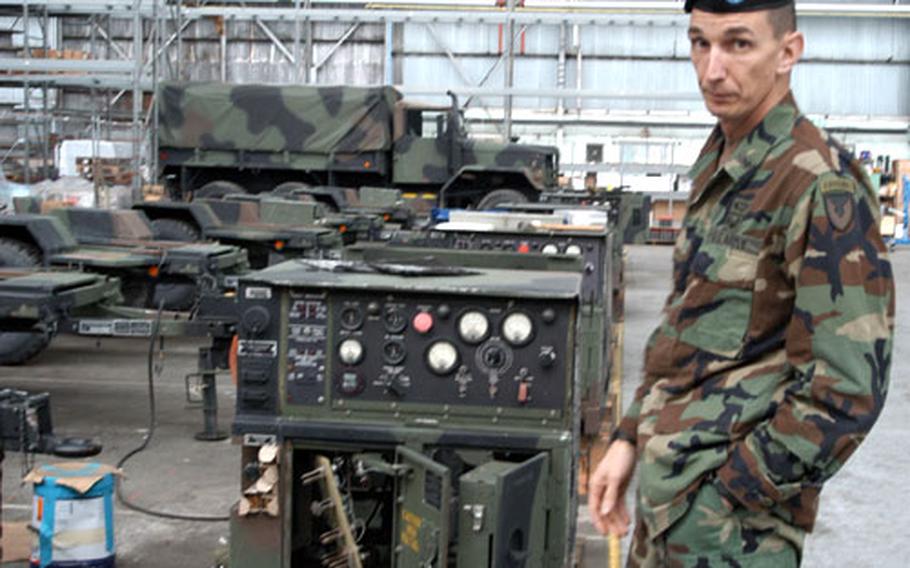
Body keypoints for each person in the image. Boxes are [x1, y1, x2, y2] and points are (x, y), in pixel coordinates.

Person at [587, 0, 895, 565]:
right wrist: (630, 437)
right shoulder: (723, 164)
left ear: (788, 53)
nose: (712, 69)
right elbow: (685, 326)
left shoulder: (819, 186)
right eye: (700, 43)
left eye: (738, 43)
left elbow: (846, 392)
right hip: (666, 508)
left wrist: (727, 493)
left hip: (729, 537)